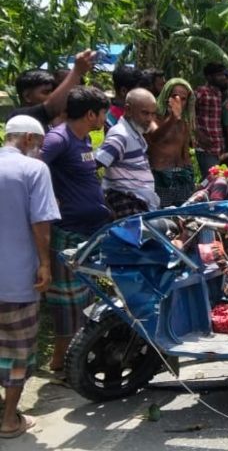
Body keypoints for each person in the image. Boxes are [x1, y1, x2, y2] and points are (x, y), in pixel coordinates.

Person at [40, 86, 112, 373]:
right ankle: (60, 366)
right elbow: (33, 170)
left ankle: (74, 364)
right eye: (103, 112)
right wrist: (46, 197)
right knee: (68, 306)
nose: (105, 118)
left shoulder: (82, 141)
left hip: (89, 233)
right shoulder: (58, 139)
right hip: (67, 233)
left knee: (85, 302)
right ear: (91, 113)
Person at [0, 116, 60, 439]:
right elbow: (41, 223)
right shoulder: (34, 170)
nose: (39, 150)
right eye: (38, 144)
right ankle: (9, 420)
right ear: (26, 139)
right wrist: (45, 264)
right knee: (17, 350)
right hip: (17, 279)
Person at [95, 89, 160, 217]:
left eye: (153, 114)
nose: (150, 119)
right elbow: (93, 165)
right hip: (128, 203)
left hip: (140, 202)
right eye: (145, 113)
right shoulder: (121, 135)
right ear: (128, 110)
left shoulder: (135, 133)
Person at [6, 50, 96, 129]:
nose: (52, 96)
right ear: (27, 96)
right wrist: (77, 71)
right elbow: (51, 107)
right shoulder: (18, 117)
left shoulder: (54, 120)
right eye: (46, 92)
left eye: (53, 91)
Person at [148, 78, 196, 207]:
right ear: (166, 96)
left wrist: (189, 174)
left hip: (183, 177)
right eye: (174, 96)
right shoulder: (153, 117)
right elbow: (154, 137)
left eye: (183, 98)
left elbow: (184, 152)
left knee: (184, 218)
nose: (178, 101)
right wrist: (173, 118)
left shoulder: (184, 123)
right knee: (163, 219)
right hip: (161, 178)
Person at [194, 62, 228, 180]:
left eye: (224, 74)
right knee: (212, 181)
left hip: (218, 147)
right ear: (209, 77)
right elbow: (187, 114)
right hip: (206, 147)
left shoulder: (220, 94)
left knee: (219, 180)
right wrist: (198, 134)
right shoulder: (201, 92)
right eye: (219, 75)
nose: (223, 77)